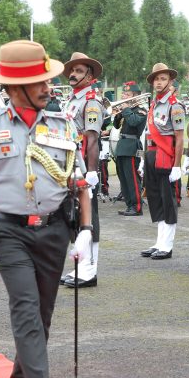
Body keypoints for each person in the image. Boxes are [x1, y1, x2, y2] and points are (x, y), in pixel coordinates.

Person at [0, 40, 92, 378]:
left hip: (54, 230)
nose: (48, 86)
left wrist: (86, 231)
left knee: (42, 317)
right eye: (39, 81)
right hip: (9, 231)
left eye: (47, 79)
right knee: (25, 310)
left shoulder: (63, 125)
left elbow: (81, 183)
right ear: (14, 87)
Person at [60, 52, 105, 288]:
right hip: (69, 165)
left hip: (82, 165)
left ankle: (90, 269)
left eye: (79, 71)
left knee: (89, 218)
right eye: (72, 70)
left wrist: (92, 171)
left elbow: (92, 138)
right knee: (74, 216)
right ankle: (80, 264)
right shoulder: (73, 99)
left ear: (90, 76)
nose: (73, 74)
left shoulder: (91, 102)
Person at [139, 63, 187, 259]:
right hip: (151, 154)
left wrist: (177, 164)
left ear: (170, 81)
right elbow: (149, 134)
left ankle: (167, 245)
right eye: (156, 79)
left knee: (168, 200)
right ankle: (159, 241)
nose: (159, 83)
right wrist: (143, 159)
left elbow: (180, 137)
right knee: (155, 198)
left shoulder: (175, 106)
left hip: (166, 156)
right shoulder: (155, 103)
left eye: (163, 79)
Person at [113, 81, 145, 216]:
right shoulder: (126, 111)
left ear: (135, 95)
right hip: (122, 146)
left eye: (127, 93)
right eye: (124, 93)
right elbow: (115, 125)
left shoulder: (141, 111)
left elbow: (134, 122)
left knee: (132, 178)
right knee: (124, 178)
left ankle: (137, 206)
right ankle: (129, 204)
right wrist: (119, 113)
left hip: (132, 147)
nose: (124, 95)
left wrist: (125, 109)